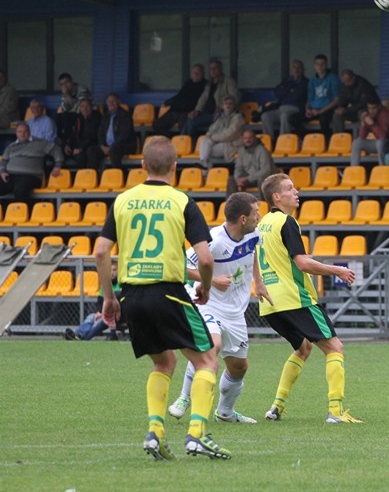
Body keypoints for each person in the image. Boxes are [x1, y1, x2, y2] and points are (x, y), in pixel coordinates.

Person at [97, 135, 231, 460]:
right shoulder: (182, 202)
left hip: (131, 295)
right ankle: (197, 434)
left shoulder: (123, 201)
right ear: (175, 167)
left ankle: (155, 432)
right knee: (207, 359)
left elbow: (101, 252)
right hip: (168, 292)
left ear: (142, 165)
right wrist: (207, 287)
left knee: (164, 361)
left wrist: (109, 298)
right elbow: (207, 259)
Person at [257, 173, 362, 424]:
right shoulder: (287, 222)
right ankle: (335, 412)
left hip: (270, 303)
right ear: (276, 197)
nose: (296, 191)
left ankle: (276, 407)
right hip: (295, 298)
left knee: (303, 348)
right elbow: (302, 263)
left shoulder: (261, 224)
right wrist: (337, 269)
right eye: (290, 188)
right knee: (335, 348)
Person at [168, 192, 272, 425]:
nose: (260, 216)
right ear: (243, 218)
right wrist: (212, 280)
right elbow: (180, 267)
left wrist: (259, 282)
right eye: (256, 212)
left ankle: (225, 412)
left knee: (239, 367)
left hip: (235, 312)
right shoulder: (213, 240)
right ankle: (184, 397)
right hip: (208, 303)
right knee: (211, 347)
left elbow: (253, 253)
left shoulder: (254, 234)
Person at [0, 123, 64, 200]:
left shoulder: (40, 143)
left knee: (20, 188)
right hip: (10, 176)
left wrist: (57, 166)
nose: (22, 134)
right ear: (16, 133)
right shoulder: (11, 146)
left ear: (29, 132)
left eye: (25, 131)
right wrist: (2, 171)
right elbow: (3, 161)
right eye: (20, 132)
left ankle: (22, 211)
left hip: (31, 176)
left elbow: (56, 150)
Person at [183, 58, 240, 137]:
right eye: (210, 69)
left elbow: (235, 98)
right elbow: (202, 99)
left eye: (215, 68)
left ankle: (186, 143)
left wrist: (222, 107)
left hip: (220, 115)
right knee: (190, 118)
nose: (212, 71)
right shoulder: (209, 84)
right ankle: (184, 143)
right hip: (206, 113)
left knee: (191, 121)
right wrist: (197, 110)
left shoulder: (229, 81)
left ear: (221, 69)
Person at [152, 64, 207, 135]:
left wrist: (196, 111)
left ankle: (181, 144)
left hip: (188, 113)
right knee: (157, 125)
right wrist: (167, 102)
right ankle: (169, 141)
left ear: (203, 74)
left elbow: (203, 101)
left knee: (184, 128)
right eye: (194, 73)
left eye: (198, 73)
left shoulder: (205, 85)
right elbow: (179, 95)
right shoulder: (188, 83)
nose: (195, 75)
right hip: (175, 110)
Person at [261, 59, 308, 140]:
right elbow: (277, 93)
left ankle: (283, 142)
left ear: (303, 70)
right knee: (265, 116)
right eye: (294, 67)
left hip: (296, 109)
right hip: (281, 108)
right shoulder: (286, 81)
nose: (296, 70)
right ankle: (269, 142)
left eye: (299, 68)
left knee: (284, 115)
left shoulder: (306, 82)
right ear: (291, 70)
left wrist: (288, 91)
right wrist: (290, 90)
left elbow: (298, 96)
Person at [87, 93, 135, 171]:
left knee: (114, 151)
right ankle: (94, 178)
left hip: (124, 145)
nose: (111, 103)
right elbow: (100, 133)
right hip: (107, 147)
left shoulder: (125, 115)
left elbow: (124, 135)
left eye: (113, 101)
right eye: (109, 102)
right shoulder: (106, 116)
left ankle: (117, 176)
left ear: (118, 102)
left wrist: (112, 147)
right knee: (91, 151)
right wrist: (102, 145)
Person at [198, 95, 243, 170]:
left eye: (230, 103)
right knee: (205, 141)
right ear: (222, 106)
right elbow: (210, 131)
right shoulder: (219, 118)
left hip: (230, 144)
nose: (228, 105)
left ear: (234, 106)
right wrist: (210, 136)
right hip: (216, 143)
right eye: (226, 103)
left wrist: (213, 138)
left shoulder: (238, 118)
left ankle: (204, 167)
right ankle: (204, 163)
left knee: (206, 151)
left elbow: (230, 134)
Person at [304, 54, 341, 141]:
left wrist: (320, 111)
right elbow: (309, 100)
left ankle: (326, 141)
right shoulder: (312, 81)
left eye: (322, 64)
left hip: (327, 109)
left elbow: (336, 100)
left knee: (323, 119)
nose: (320, 66)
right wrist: (307, 110)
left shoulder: (333, 78)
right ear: (314, 66)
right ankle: (304, 139)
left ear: (326, 65)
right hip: (314, 110)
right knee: (293, 118)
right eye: (317, 64)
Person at [228, 128, 277, 194]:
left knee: (262, 179)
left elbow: (265, 171)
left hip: (263, 179)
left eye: (250, 138)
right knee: (231, 180)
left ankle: (264, 203)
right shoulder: (241, 151)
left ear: (254, 138)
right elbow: (238, 168)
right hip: (249, 178)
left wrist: (247, 178)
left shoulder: (262, 150)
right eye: (245, 138)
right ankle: (234, 203)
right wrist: (237, 179)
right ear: (242, 139)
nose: (248, 140)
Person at [332, 69, 379, 134]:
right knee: (337, 115)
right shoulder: (344, 86)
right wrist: (340, 108)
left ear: (353, 77)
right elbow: (343, 100)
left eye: (348, 81)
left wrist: (346, 110)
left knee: (362, 113)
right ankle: (340, 138)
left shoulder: (363, 85)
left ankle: (363, 136)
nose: (346, 84)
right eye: (344, 81)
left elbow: (363, 103)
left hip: (366, 109)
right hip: (352, 111)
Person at [62, 98, 101, 169]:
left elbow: (93, 138)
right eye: (82, 106)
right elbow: (74, 134)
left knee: (81, 157)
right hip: (77, 147)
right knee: (61, 153)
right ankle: (64, 178)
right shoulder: (80, 118)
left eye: (87, 106)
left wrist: (81, 149)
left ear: (91, 107)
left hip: (88, 148)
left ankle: (84, 177)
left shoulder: (97, 118)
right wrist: (68, 145)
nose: (85, 109)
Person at [350, 99, 389, 167]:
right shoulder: (368, 115)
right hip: (376, 144)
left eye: (374, 108)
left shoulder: (384, 115)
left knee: (380, 142)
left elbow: (383, 136)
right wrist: (363, 123)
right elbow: (362, 136)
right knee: (356, 142)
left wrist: (373, 125)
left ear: (379, 107)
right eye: (369, 108)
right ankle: (353, 169)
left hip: (388, 144)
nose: (371, 111)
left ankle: (382, 168)